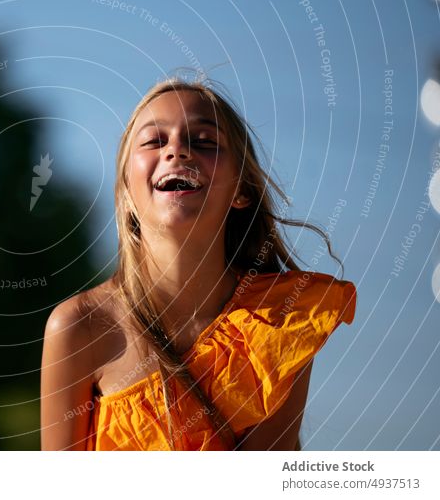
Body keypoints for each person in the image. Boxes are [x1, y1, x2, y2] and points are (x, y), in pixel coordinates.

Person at [40, 77, 357, 451]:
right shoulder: (80, 327)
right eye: (155, 141)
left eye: (204, 141)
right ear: (126, 193)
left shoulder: (283, 320)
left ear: (242, 190)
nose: (177, 151)